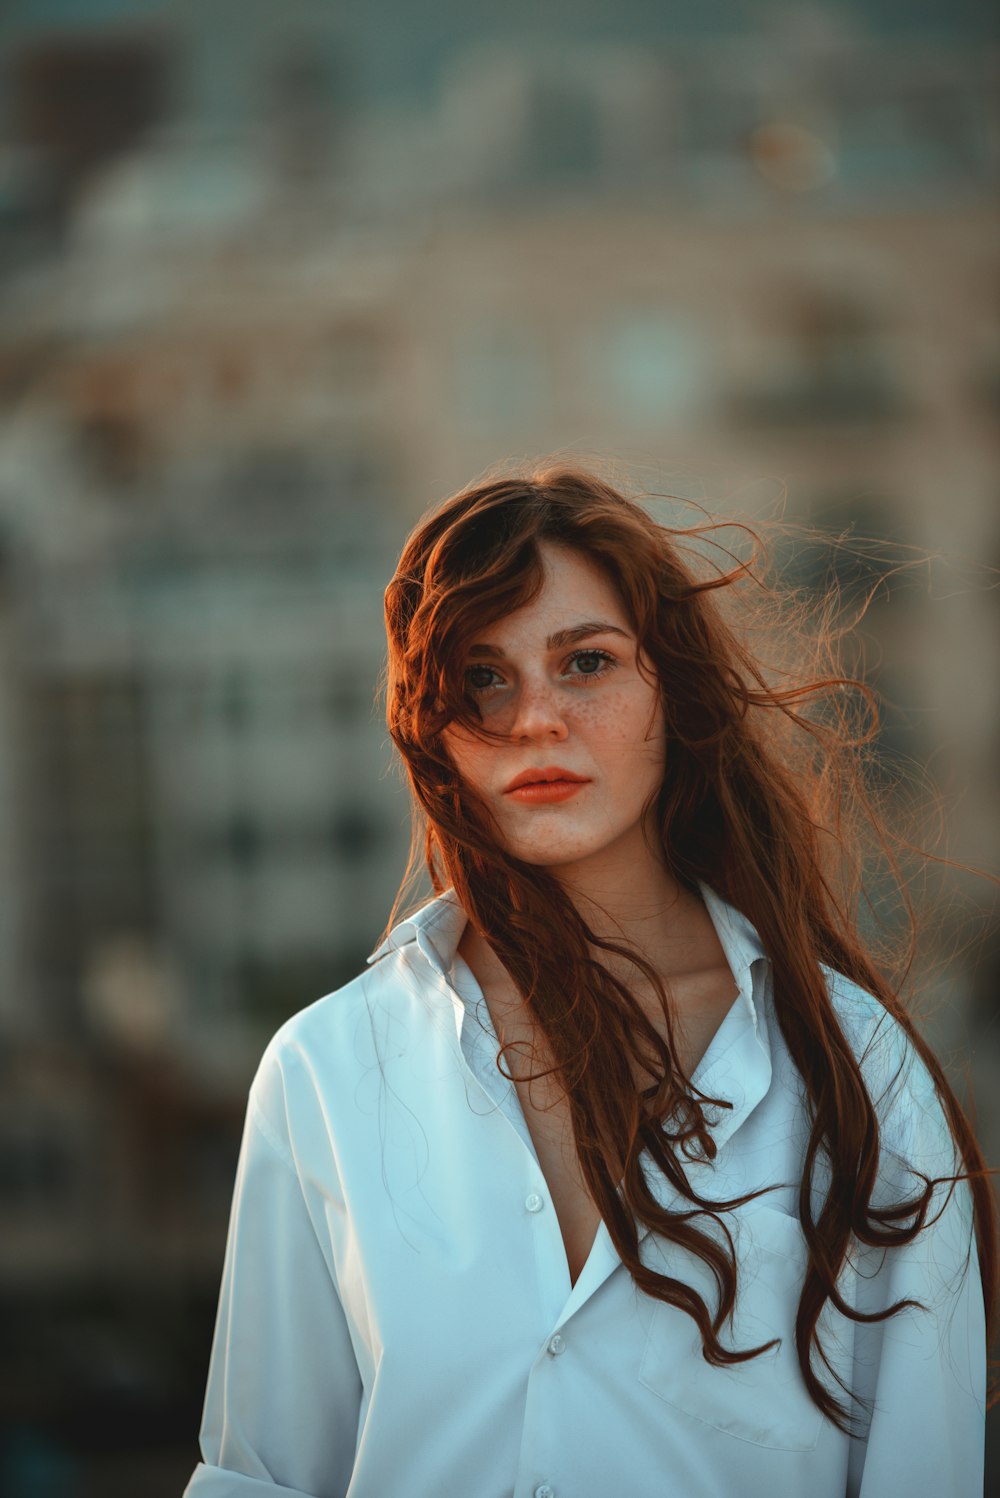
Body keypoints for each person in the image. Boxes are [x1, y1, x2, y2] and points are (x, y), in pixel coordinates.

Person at [184, 464, 996, 1498]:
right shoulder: (327, 1070)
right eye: (482, 676)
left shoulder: (854, 1065)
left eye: (585, 662)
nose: (533, 718)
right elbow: (260, 1479)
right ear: (430, 726)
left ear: (672, 689)